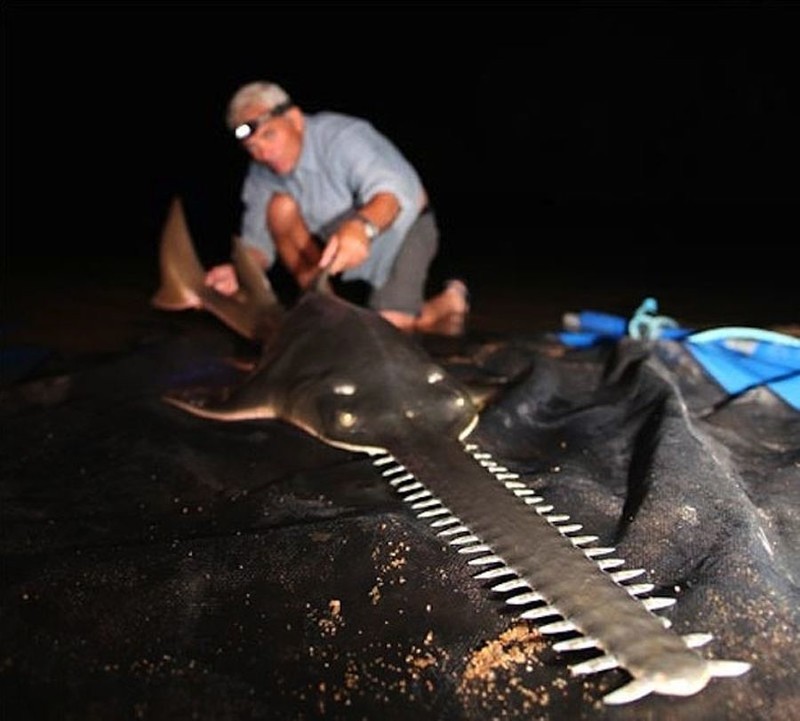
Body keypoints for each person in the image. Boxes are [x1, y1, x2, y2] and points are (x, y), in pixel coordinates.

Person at [204, 80, 469, 335]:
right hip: (342, 243)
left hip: (404, 227)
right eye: (251, 146)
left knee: (391, 327)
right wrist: (237, 272)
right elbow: (258, 245)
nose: (262, 152)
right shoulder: (261, 173)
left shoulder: (342, 136)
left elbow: (392, 194)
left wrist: (362, 227)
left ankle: (449, 301)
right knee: (279, 207)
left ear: (295, 120)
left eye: (269, 135)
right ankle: (328, 310)